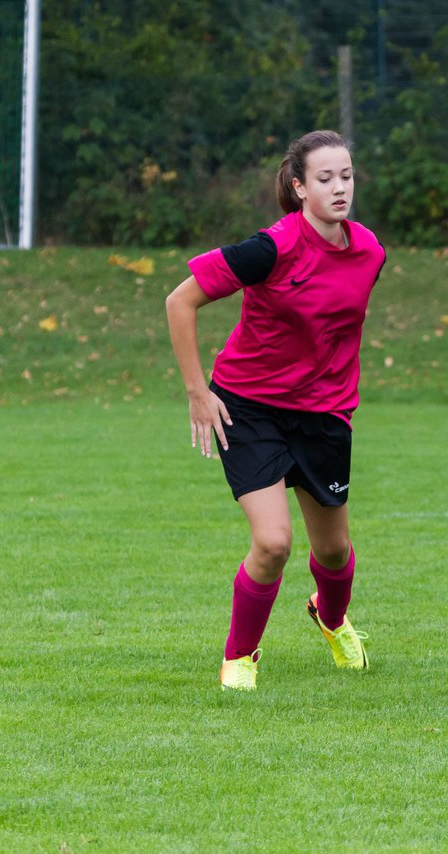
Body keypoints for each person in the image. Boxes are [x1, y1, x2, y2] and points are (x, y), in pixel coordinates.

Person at [166, 130, 385, 691]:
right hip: (249, 407)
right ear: (298, 186)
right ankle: (240, 657)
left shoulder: (370, 251)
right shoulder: (270, 247)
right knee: (273, 543)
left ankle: (330, 617)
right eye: (325, 178)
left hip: (325, 414)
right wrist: (197, 391)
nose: (340, 188)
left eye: (347, 176)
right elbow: (180, 300)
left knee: (334, 551)